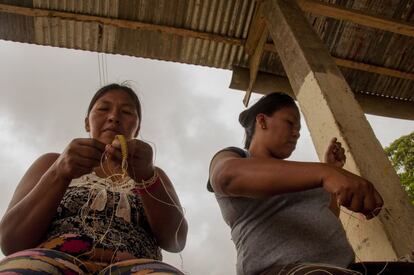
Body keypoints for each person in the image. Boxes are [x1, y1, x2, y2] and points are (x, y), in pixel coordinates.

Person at [208, 92, 413, 275]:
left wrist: (333, 172)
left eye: (299, 129)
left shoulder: (300, 173)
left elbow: (327, 215)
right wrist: (326, 172)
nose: (297, 133)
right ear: (262, 121)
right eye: (290, 123)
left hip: (344, 268)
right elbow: (225, 176)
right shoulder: (237, 157)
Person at [0, 83, 188, 274]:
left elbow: (176, 241)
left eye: (127, 112)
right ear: (87, 122)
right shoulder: (51, 163)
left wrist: (147, 178)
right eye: (103, 109)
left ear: (137, 128)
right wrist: (59, 173)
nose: (114, 117)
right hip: (50, 263)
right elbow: (11, 241)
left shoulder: (153, 174)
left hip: (137, 267)